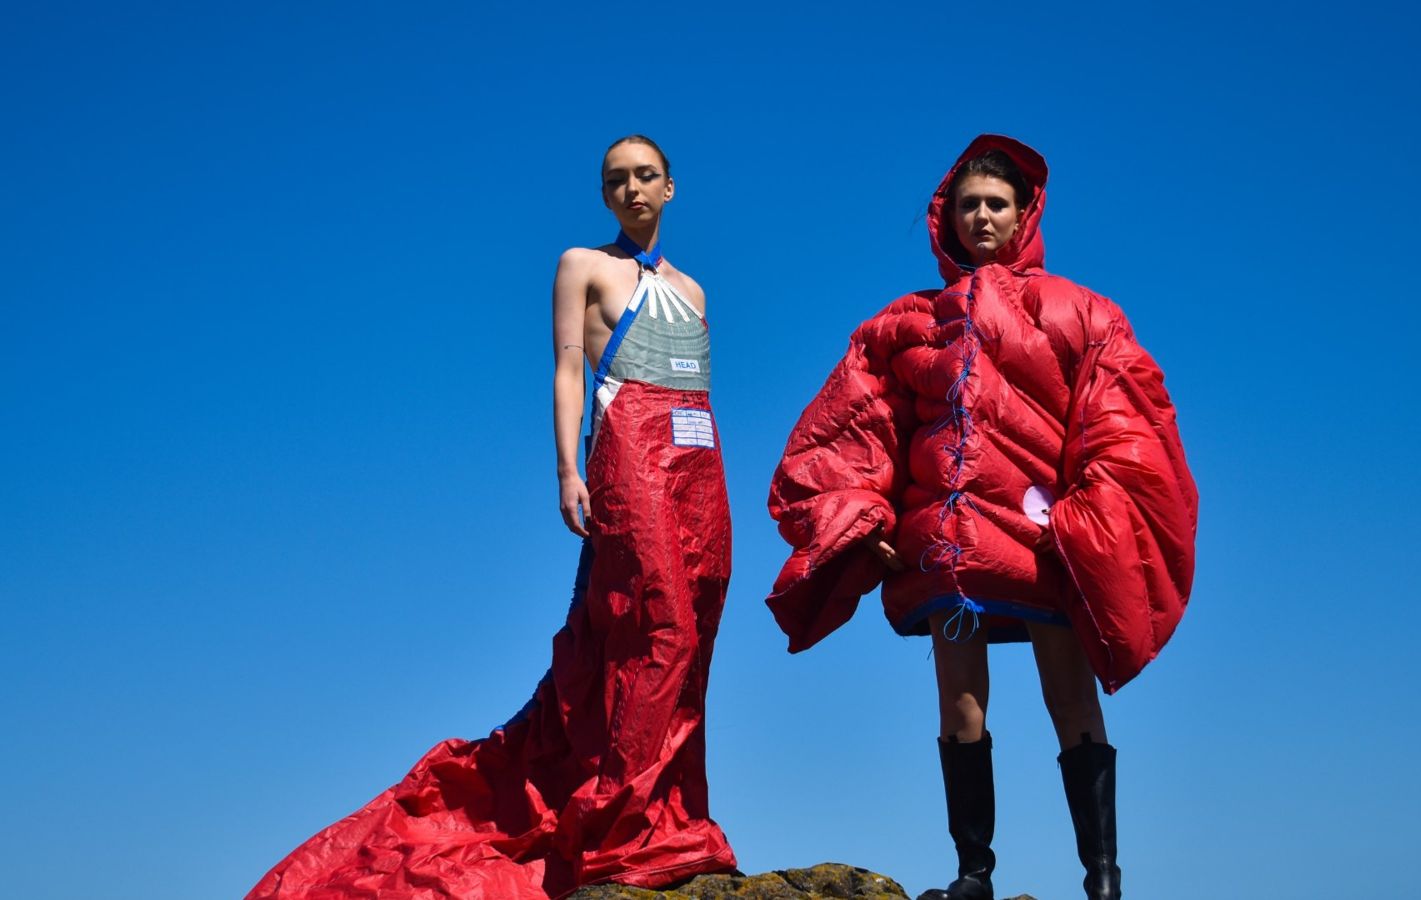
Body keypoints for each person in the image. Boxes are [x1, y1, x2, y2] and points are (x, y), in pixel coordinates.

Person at [247, 135, 738, 899]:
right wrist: (569, 468)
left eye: (646, 176)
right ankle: (620, 824)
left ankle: (673, 814)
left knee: (696, 626)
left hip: (700, 457)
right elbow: (570, 366)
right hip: (628, 445)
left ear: (671, 187)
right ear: (604, 194)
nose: (632, 189)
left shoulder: (697, 290)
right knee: (659, 621)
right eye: (617, 179)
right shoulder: (583, 263)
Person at [765, 135, 1197, 900]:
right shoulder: (905, 324)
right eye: (969, 205)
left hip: (1043, 545)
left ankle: (1102, 876)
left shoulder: (1081, 310)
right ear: (949, 218)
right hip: (948, 551)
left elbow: (1121, 420)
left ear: (1023, 211)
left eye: (997, 203)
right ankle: (974, 874)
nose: (983, 216)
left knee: (1069, 696)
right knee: (960, 702)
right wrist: (868, 516)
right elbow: (854, 431)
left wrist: (1084, 521)